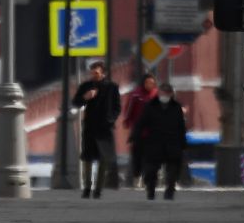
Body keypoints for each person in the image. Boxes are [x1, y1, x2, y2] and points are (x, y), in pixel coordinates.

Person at [71, 62, 121, 198]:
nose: (94, 75)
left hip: (105, 128)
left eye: (96, 73)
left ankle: (98, 189)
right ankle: (87, 187)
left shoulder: (112, 87)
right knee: (87, 158)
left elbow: (117, 107)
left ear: (102, 73)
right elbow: (75, 102)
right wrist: (85, 97)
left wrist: (110, 120)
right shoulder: (86, 86)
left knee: (103, 159)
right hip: (90, 127)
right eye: (92, 73)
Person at [132, 82, 188, 199]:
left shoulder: (176, 107)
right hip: (154, 142)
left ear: (171, 94)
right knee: (151, 170)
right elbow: (141, 123)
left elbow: (181, 127)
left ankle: (169, 192)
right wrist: (136, 136)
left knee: (173, 170)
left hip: (172, 143)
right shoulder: (150, 106)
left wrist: (182, 143)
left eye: (168, 93)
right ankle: (150, 191)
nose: (165, 95)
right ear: (159, 93)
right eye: (163, 92)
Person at [119, 72, 158, 188]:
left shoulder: (157, 95)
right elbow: (128, 110)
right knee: (138, 156)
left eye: (152, 83)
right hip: (138, 132)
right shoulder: (136, 95)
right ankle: (137, 178)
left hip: (153, 132)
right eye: (147, 83)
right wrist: (127, 121)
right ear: (143, 83)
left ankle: (149, 180)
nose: (150, 85)